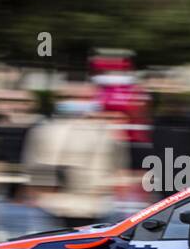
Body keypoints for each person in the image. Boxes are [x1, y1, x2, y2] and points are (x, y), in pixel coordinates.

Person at [21, 83, 126, 227]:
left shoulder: (108, 132)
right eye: (71, 97)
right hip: (52, 205)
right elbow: (32, 164)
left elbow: (117, 167)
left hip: (94, 205)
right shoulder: (44, 130)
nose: (78, 102)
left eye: (85, 97)